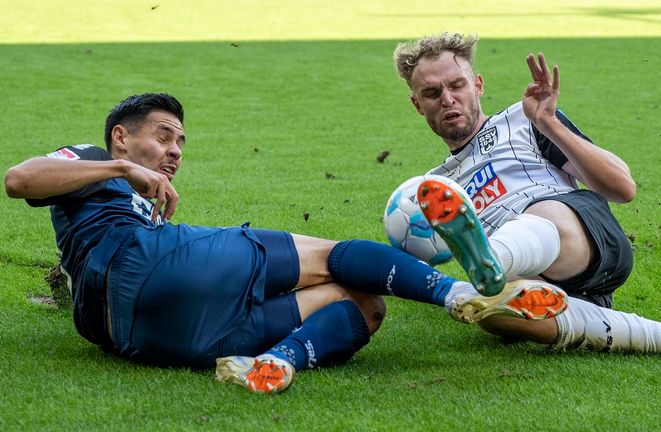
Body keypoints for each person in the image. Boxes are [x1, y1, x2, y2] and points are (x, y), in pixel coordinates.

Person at [3, 93, 570, 395]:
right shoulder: (98, 159)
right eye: (163, 136)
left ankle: (273, 363)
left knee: (363, 307)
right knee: (329, 252)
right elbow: (19, 180)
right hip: (142, 266)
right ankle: (459, 295)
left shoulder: (141, 197)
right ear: (122, 135)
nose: (174, 151)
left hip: (144, 336)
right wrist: (122, 167)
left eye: (181, 141)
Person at [393, 32, 661, 367]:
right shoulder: (432, 186)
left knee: (538, 214)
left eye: (456, 85)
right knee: (490, 313)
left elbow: (623, 187)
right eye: (432, 93)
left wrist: (549, 123)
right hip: (542, 286)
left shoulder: (522, 120)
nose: (447, 99)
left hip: (580, 233)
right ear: (416, 104)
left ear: (477, 85)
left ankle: (493, 261)